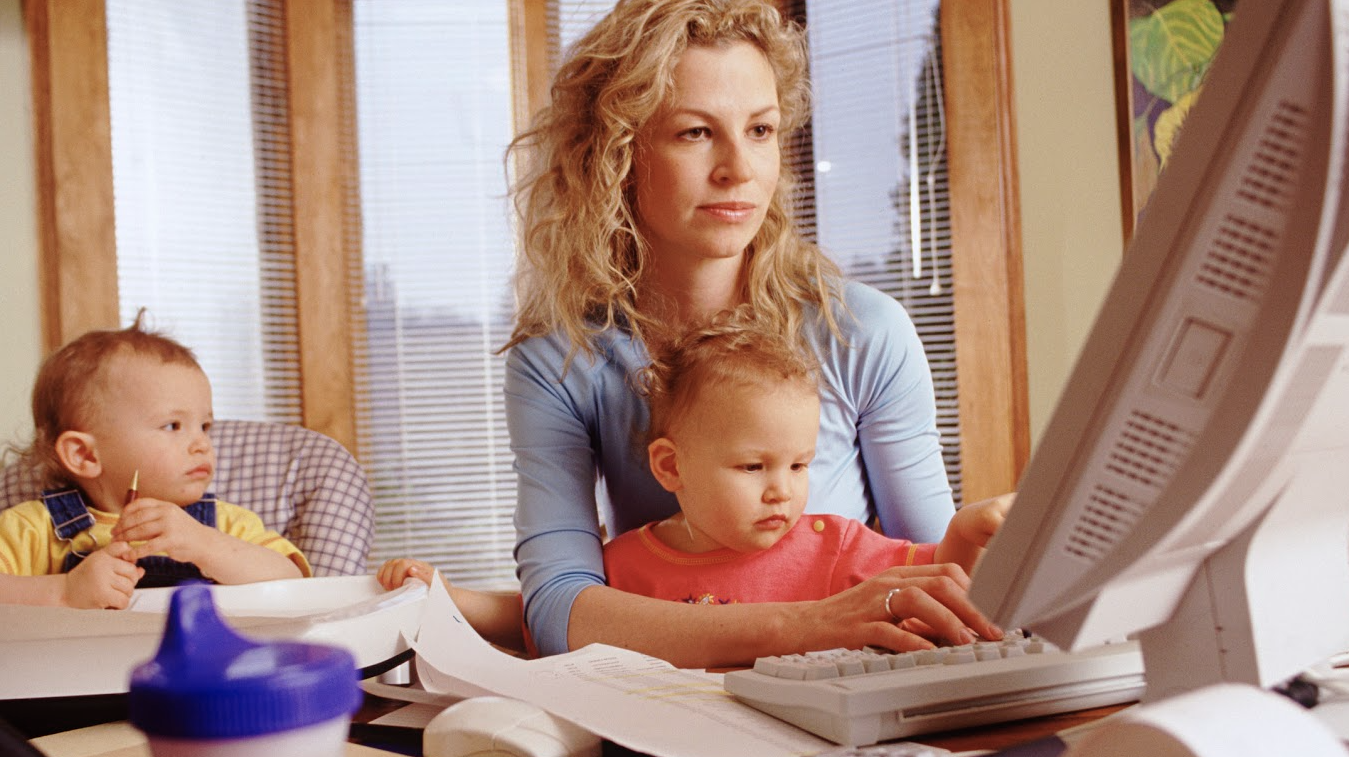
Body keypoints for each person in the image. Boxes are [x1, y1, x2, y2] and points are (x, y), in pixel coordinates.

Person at [496, 0, 1005, 667]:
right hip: (673, 706)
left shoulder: (865, 334)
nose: (738, 168)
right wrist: (804, 625)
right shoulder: (559, 362)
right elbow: (561, 611)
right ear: (616, 153)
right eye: (695, 133)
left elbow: (942, 585)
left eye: (760, 130)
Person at [380, 317, 1011, 668]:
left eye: (799, 466)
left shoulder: (835, 543)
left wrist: (967, 532)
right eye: (753, 468)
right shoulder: (629, 562)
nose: (782, 493)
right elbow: (533, 614)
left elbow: (936, 577)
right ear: (670, 468)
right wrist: (444, 595)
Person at [0, 316, 311, 632]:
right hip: (76, 700)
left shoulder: (224, 525)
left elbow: (293, 586)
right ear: (84, 454)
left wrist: (203, 545)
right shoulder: (34, 528)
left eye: (204, 426)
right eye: (173, 426)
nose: (201, 444)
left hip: (200, 696)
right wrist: (64, 591)